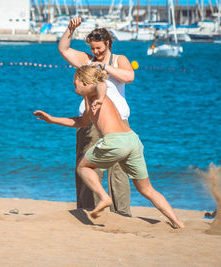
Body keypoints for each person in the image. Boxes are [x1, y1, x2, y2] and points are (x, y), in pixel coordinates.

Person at [34, 66, 184, 229]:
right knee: (147, 189)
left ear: (84, 82)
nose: (73, 83)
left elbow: (101, 85)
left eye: (75, 80)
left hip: (115, 141)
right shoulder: (88, 99)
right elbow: (81, 122)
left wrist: (99, 98)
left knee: (83, 168)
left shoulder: (94, 92)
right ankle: (178, 223)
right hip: (132, 140)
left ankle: (104, 198)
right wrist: (51, 119)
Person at [58, 17, 134, 216]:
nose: (96, 52)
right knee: (87, 165)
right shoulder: (87, 61)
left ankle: (122, 213)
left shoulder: (119, 59)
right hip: (90, 122)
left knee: (119, 169)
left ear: (108, 43)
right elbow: (64, 49)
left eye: (99, 48)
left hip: (118, 123)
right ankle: (87, 209)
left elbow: (129, 77)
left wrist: (105, 67)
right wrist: (70, 29)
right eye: (93, 48)